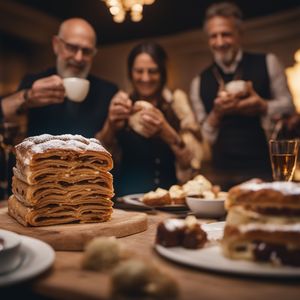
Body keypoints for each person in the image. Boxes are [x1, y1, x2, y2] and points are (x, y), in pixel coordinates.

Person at [190, 2, 295, 190]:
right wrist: (216, 113)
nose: (220, 42)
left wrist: (262, 106)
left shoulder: (268, 62)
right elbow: (204, 138)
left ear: (239, 34)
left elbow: (288, 105)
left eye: (226, 34)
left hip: (264, 168)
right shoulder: (199, 81)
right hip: (220, 173)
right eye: (214, 36)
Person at [97, 41, 203, 197]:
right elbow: (101, 154)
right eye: (139, 71)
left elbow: (193, 161)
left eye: (153, 71)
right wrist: (110, 125)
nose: (145, 78)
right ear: (130, 72)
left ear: (162, 73)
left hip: (168, 200)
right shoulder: (121, 102)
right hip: (126, 200)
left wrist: (167, 131)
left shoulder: (176, 103)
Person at [0, 18, 118, 137]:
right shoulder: (33, 82)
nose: (78, 58)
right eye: (71, 47)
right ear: (56, 45)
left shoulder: (108, 91)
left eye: (86, 51)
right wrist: (28, 96)